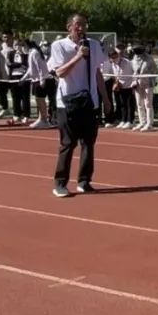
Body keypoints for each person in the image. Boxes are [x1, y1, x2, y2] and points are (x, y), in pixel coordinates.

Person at [49, 14, 112, 198]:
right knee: (68, 143)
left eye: (84, 24)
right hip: (67, 102)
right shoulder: (59, 46)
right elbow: (60, 72)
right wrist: (77, 56)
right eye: (77, 24)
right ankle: (60, 183)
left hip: (89, 101)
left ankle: (84, 181)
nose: (81, 28)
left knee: (88, 143)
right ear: (69, 26)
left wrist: (106, 99)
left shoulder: (93, 45)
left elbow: (97, 72)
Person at [130, 44, 158, 131]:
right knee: (139, 103)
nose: (138, 54)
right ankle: (142, 122)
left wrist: (151, 80)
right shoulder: (133, 60)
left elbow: (155, 71)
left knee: (148, 104)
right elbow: (133, 71)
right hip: (137, 83)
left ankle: (149, 123)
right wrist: (134, 80)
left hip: (148, 83)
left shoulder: (149, 59)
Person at [26, 40, 53, 129]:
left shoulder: (35, 53)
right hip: (36, 79)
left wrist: (42, 80)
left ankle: (44, 120)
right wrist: (23, 79)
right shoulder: (33, 53)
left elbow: (40, 67)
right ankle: (41, 118)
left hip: (40, 79)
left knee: (40, 100)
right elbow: (31, 68)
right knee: (39, 100)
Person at [8, 39, 31, 124]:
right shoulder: (11, 53)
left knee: (25, 97)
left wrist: (19, 63)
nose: (18, 47)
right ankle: (16, 114)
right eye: (16, 45)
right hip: (14, 77)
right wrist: (19, 64)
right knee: (15, 97)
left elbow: (27, 65)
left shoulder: (26, 55)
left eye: (20, 45)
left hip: (24, 77)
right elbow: (9, 64)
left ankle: (26, 115)